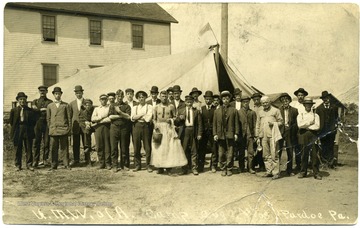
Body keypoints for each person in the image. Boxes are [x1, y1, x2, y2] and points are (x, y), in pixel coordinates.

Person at [151, 91, 188, 175]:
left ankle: (168, 168)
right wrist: (155, 125)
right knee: (159, 148)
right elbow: (154, 118)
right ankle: (159, 167)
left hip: (168, 128)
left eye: (165, 96)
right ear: (160, 97)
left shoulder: (171, 106)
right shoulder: (156, 107)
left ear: (168, 96)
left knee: (168, 148)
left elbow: (175, 117)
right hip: (159, 128)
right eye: (162, 96)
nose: (164, 97)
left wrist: (171, 120)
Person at [255, 96, 283, 179]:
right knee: (266, 155)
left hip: (273, 136)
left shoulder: (276, 110)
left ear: (270, 102)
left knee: (274, 154)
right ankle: (269, 171)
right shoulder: (260, 112)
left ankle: (276, 173)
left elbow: (281, 122)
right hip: (263, 136)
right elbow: (257, 124)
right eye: (263, 103)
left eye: (266, 102)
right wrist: (257, 135)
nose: (265, 104)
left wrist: (274, 123)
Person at [213, 91, 239, 176]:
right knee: (221, 153)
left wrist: (236, 133)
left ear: (229, 99)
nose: (226, 100)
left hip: (230, 134)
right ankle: (223, 168)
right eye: (224, 99)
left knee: (230, 153)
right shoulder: (217, 111)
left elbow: (236, 123)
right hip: (220, 134)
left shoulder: (234, 110)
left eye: (227, 99)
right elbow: (215, 124)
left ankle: (229, 168)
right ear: (221, 100)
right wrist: (215, 134)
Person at [176, 95, 203, 175]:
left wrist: (199, 134)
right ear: (185, 102)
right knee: (183, 150)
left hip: (193, 131)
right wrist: (179, 118)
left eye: (191, 102)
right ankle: (184, 169)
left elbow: (199, 123)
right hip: (184, 131)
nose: (189, 103)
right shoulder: (181, 110)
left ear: (193, 102)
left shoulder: (196, 111)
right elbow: (176, 122)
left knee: (194, 151)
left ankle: (194, 168)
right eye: (187, 102)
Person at [47, 87, 72, 171]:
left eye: (59, 94)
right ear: (54, 95)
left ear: (61, 94)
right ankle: (53, 165)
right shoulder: (50, 106)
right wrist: (51, 127)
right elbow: (48, 119)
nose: (57, 95)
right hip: (54, 130)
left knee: (64, 147)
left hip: (63, 129)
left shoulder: (65, 105)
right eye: (56, 94)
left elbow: (69, 118)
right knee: (54, 147)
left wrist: (69, 128)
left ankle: (66, 164)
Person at [10, 92, 36, 171]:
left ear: (26, 100)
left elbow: (33, 121)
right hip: (18, 129)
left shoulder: (30, 110)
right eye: (20, 99)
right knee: (18, 147)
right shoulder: (14, 110)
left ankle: (29, 164)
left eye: (24, 99)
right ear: (18, 100)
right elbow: (11, 122)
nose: (22, 101)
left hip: (27, 129)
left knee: (28, 147)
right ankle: (18, 165)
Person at [297, 98, 322, 180]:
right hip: (303, 135)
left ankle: (316, 173)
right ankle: (303, 172)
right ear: (304, 105)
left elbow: (317, 127)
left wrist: (306, 127)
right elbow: (300, 125)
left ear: (311, 105)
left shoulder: (316, 115)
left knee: (314, 154)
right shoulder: (300, 115)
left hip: (313, 135)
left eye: (310, 104)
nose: (308, 106)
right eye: (306, 104)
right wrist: (310, 123)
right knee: (304, 153)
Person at [109, 89, 132, 172]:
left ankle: (124, 165)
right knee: (114, 148)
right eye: (118, 96)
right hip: (114, 127)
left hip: (124, 128)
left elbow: (128, 116)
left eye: (121, 96)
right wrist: (121, 116)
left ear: (123, 96)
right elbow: (110, 117)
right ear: (116, 96)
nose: (119, 97)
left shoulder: (127, 106)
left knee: (124, 147)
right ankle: (115, 165)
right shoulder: (112, 105)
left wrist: (119, 112)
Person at [131, 90, 153, 172]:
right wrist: (142, 115)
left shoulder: (149, 107)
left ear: (145, 98)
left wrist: (138, 116)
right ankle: (137, 165)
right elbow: (132, 118)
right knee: (136, 147)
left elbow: (148, 118)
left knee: (147, 147)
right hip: (136, 127)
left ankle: (148, 165)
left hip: (146, 127)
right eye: (139, 97)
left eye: (143, 97)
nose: (141, 99)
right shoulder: (134, 107)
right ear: (137, 99)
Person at [316, 91, 339, 169]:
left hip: (331, 130)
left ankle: (331, 163)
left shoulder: (334, 107)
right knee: (323, 146)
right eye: (324, 98)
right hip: (322, 131)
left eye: (327, 98)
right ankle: (324, 162)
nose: (326, 100)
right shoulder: (319, 109)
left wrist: (336, 125)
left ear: (329, 98)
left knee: (331, 145)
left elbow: (336, 118)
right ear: (322, 99)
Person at [278, 93, 299, 176]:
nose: (285, 101)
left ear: (289, 101)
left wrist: (291, 129)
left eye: (286, 100)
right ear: (281, 101)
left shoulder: (294, 110)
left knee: (290, 151)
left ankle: (289, 170)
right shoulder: (278, 110)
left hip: (290, 133)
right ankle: (277, 170)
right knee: (278, 150)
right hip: (280, 132)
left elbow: (296, 123)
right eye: (283, 100)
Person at [32, 85, 52, 167]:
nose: (42, 92)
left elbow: (51, 111)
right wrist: (41, 109)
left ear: (47, 92)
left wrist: (46, 110)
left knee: (46, 142)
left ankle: (45, 159)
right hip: (38, 124)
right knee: (37, 142)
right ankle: (35, 160)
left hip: (47, 124)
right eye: (41, 91)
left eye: (44, 91)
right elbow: (33, 109)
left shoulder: (50, 102)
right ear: (39, 92)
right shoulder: (35, 101)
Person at [237, 95, 257, 174]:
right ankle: (241, 167)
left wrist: (255, 135)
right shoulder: (238, 112)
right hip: (241, 135)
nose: (245, 103)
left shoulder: (252, 112)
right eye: (244, 102)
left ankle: (250, 167)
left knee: (250, 152)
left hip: (250, 135)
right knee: (241, 152)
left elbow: (255, 124)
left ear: (249, 102)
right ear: (241, 103)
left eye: (247, 102)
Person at [91, 94, 112, 170]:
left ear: (107, 100)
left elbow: (110, 118)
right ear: (100, 100)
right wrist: (101, 117)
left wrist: (100, 120)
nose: (103, 101)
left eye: (105, 99)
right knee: (99, 145)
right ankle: (101, 163)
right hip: (98, 128)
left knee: (107, 145)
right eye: (102, 99)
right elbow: (93, 118)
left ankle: (108, 163)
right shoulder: (97, 109)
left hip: (107, 127)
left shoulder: (109, 107)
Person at [198, 91, 217, 173]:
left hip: (212, 132)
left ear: (212, 100)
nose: (208, 101)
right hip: (204, 132)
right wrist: (200, 132)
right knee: (202, 149)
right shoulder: (201, 109)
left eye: (210, 99)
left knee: (214, 149)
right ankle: (200, 167)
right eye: (207, 99)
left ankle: (213, 166)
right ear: (204, 99)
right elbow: (200, 122)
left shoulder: (215, 109)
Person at [69, 85, 85, 167]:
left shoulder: (87, 102)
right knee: (76, 144)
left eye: (80, 92)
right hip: (75, 127)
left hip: (85, 126)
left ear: (82, 92)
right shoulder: (71, 104)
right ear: (75, 94)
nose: (78, 94)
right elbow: (70, 116)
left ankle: (87, 160)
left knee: (86, 143)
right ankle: (76, 160)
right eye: (77, 93)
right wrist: (70, 127)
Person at [251, 92, 266, 171]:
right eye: (254, 100)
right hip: (252, 131)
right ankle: (253, 165)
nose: (256, 101)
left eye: (257, 99)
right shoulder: (251, 108)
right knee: (253, 150)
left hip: (261, 131)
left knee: (261, 149)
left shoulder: (263, 108)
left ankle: (262, 165)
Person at [78, 99, 95, 167]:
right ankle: (88, 160)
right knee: (86, 141)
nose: (88, 106)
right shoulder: (83, 112)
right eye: (86, 105)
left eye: (89, 105)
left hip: (93, 127)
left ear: (91, 105)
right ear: (84, 106)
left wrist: (90, 124)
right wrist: (86, 125)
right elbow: (81, 120)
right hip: (86, 130)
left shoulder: (94, 111)